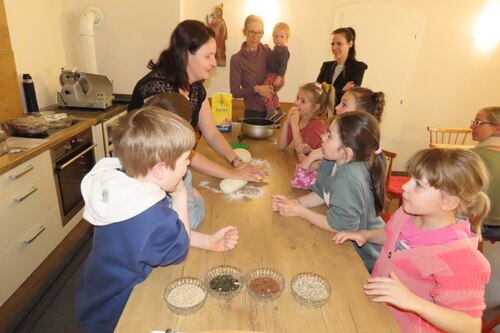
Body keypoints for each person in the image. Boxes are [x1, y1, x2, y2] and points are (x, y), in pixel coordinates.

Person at [76, 107, 239, 333]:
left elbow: (164, 235)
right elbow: (177, 249)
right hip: (117, 308)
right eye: (185, 159)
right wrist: (181, 194)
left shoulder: (126, 184)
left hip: (95, 292)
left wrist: (207, 241)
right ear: (160, 169)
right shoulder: (150, 216)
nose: (188, 165)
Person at [333, 148, 491, 333]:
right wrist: (366, 235)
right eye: (410, 178)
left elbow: (470, 326)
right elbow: (391, 235)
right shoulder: (407, 213)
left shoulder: (459, 256)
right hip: (375, 308)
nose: (406, 186)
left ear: (448, 202)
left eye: (418, 184)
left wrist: (413, 302)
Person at [129, 20, 265, 182]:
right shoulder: (158, 90)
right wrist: (229, 174)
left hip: (167, 170)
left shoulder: (195, 87)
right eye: (208, 56)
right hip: (141, 173)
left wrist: (236, 162)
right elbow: (179, 149)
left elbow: (211, 133)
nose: (214, 63)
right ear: (185, 55)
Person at [272, 112, 386, 271]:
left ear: (346, 152)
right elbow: (321, 193)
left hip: (362, 257)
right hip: (344, 243)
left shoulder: (348, 178)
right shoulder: (331, 160)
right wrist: (295, 203)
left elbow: (340, 226)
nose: (323, 137)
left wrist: (300, 211)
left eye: (330, 136)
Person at [294, 86, 385, 189]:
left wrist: (313, 156)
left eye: (344, 104)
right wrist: (313, 155)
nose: (337, 107)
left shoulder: (352, 158)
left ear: (360, 115)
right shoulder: (341, 148)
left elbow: (302, 181)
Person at [230, 14, 281, 119]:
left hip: (274, 111)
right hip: (253, 114)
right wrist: (257, 89)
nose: (255, 37)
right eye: (252, 32)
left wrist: (278, 82)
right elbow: (235, 92)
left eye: (259, 33)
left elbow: (279, 77)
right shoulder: (236, 59)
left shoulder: (268, 52)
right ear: (244, 31)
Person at [316, 27, 367, 108]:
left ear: (350, 44)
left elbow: (349, 97)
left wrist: (327, 92)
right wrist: (342, 91)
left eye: (339, 44)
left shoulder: (358, 67)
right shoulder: (326, 66)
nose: (334, 48)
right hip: (322, 113)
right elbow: (317, 93)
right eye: (332, 44)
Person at [470, 106, 500, 240]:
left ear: (498, 128)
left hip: (480, 227)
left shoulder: (470, 157)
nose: (471, 126)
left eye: (478, 122)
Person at [262, 22, 291, 122]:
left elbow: (283, 65)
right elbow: (272, 59)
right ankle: (278, 110)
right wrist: (267, 49)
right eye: (276, 36)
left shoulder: (283, 50)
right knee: (272, 93)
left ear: (287, 38)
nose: (278, 39)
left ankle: (271, 110)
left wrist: (279, 77)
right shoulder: (277, 49)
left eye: (282, 36)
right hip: (272, 74)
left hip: (274, 75)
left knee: (265, 92)